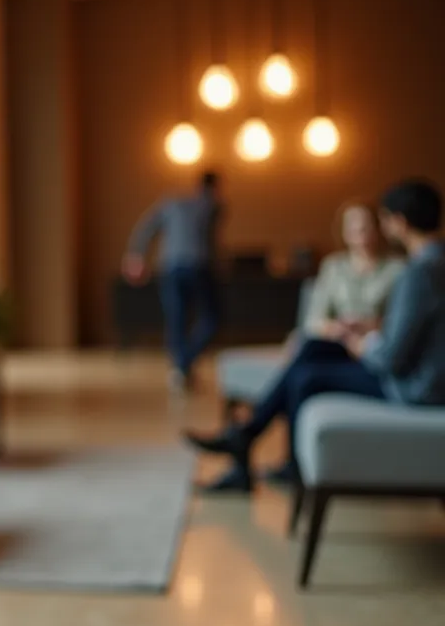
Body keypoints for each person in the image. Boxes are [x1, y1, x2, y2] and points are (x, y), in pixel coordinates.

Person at [185, 178, 445, 493]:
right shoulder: (428, 265)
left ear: (398, 222)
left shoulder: (417, 272)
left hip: (414, 386)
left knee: (306, 377)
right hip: (412, 370)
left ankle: (259, 446)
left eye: (383, 220)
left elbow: (391, 357)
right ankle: (251, 441)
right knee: (310, 349)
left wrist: (362, 343)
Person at [124, 171, 224, 390]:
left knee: (176, 320)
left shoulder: (170, 203)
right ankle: (183, 365)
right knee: (210, 318)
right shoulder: (211, 205)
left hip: (171, 268)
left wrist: (136, 255)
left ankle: (181, 367)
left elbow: (146, 229)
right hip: (198, 267)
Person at [300, 203, 405, 342]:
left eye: (365, 226)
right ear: (343, 232)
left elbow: (406, 320)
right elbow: (313, 321)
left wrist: (370, 325)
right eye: (352, 226)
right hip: (338, 343)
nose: (359, 230)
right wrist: (338, 328)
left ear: (378, 228)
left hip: (380, 345)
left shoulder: (397, 268)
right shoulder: (333, 266)